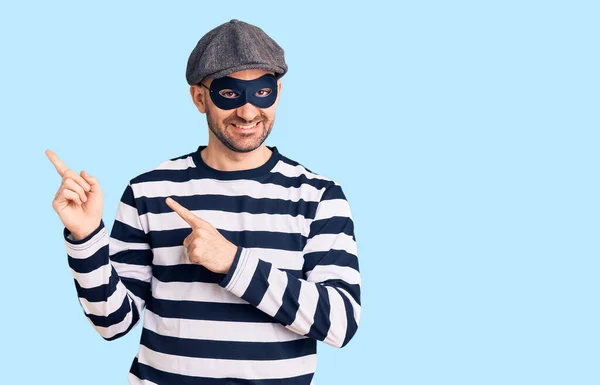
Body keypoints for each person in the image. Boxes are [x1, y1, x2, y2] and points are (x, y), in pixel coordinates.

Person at [47, 19, 361, 385]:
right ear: (200, 98)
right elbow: (113, 324)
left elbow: (340, 323)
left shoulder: (319, 196)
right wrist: (86, 238)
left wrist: (233, 263)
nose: (247, 112)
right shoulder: (148, 191)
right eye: (229, 95)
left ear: (278, 91)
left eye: (262, 93)